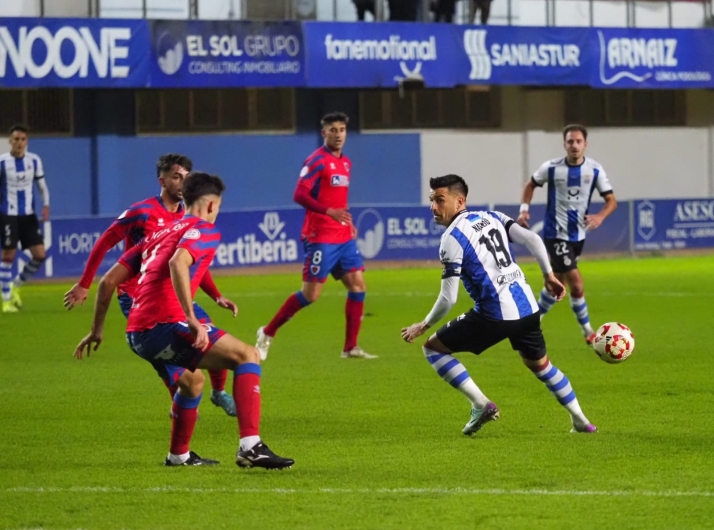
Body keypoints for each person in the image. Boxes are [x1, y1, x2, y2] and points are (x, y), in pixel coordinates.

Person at [74, 172, 294, 469]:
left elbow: (107, 282)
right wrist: (191, 318)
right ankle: (251, 447)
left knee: (191, 382)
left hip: (137, 334)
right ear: (212, 206)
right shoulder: (204, 229)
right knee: (247, 355)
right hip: (165, 324)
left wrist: (96, 331)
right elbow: (179, 262)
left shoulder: (157, 233)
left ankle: (178, 456)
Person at [401, 174, 597, 435]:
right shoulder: (492, 217)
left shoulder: (452, 237)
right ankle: (581, 421)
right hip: (528, 309)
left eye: (440, 200)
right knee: (542, 366)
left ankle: (480, 403)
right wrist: (548, 275)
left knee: (433, 349)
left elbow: (449, 298)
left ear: (459, 201)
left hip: (494, 313)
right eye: (432, 201)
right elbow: (532, 239)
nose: (434, 207)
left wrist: (423, 325)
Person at [63, 154, 237, 416]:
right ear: (162, 180)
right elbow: (105, 242)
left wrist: (215, 295)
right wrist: (85, 283)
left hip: (171, 295)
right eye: (176, 177)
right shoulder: (142, 212)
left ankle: (218, 392)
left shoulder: (185, 218)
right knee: (167, 354)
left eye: (186, 177)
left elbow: (190, 262)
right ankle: (177, 402)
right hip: (137, 296)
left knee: (208, 329)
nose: (182, 183)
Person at [256, 112, 376, 360]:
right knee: (310, 295)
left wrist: (347, 221)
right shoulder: (316, 161)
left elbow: (338, 200)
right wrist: (328, 212)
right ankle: (267, 332)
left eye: (342, 129)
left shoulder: (346, 163)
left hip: (342, 236)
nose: (338, 134)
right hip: (320, 235)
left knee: (358, 285)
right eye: (333, 129)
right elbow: (299, 195)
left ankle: (350, 348)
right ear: (324, 133)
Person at [517, 124, 617, 345]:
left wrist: (600, 216)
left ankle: (531, 321)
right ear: (565, 144)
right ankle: (588, 331)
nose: (574, 145)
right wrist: (524, 209)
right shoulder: (551, 168)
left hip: (578, 236)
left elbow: (611, 200)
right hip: (555, 233)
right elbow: (530, 185)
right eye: (570, 141)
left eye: (578, 141)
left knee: (557, 282)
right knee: (576, 283)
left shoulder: (594, 170)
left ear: (585, 144)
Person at [0, 124, 50, 313]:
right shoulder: (3, 162)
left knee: (40, 255)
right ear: (10, 141)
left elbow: (42, 186)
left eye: (23, 139)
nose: (19, 143)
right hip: (8, 215)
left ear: (26, 141)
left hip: (28, 216)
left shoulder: (34, 161)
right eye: (16, 139)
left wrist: (46, 205)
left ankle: (15, 285)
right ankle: (5, 301)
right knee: (8, 256)